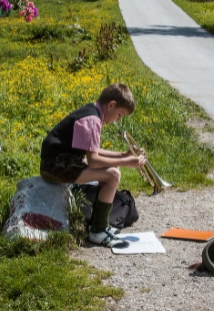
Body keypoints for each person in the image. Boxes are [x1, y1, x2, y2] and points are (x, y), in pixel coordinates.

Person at [40, 83, 146, 249]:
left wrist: (122, 155)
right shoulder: (92, 120)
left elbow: (93, 151)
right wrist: (127, 162)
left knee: (112, 170)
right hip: (56, 166)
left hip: (60, 162)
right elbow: (93, 161)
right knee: (113, 174)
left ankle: (98, 225)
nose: (118, 120)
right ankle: (98, 231)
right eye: (119, 115)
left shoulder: (92, 112)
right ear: (111, 105)